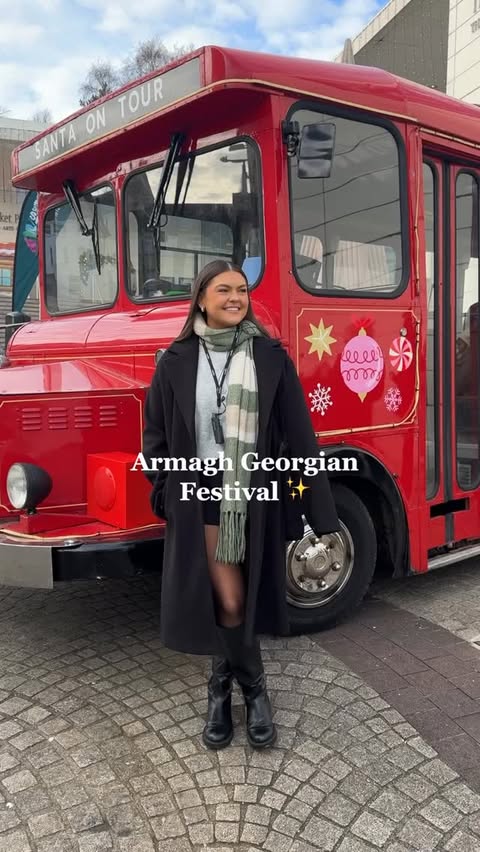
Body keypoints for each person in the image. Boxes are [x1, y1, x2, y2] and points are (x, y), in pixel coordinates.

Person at [142, 259, 340, 750]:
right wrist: (165, 487)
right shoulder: (175, 360)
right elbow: (156, 436)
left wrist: (318, 509)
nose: (235, 298)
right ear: (201, 299)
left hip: (257, 493)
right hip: (203, 495)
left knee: (245, 595)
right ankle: (251, 690)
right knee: (228, 598)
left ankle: (222, 685)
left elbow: (299, 435)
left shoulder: (270, 357)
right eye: (224, 289)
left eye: (242, 290)